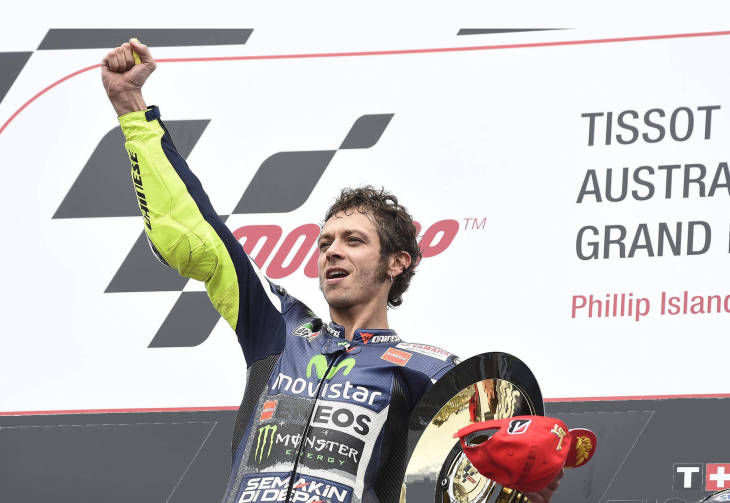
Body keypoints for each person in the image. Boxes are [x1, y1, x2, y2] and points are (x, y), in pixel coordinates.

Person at [101, 39, 561, 503]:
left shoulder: (428, 370)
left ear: (397, 262)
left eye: (353, 241)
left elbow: (468, 483)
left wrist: (518, 492)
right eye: (325, 243)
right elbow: (198, 234)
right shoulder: (277, 327)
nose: (332, 252)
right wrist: (131, 107)